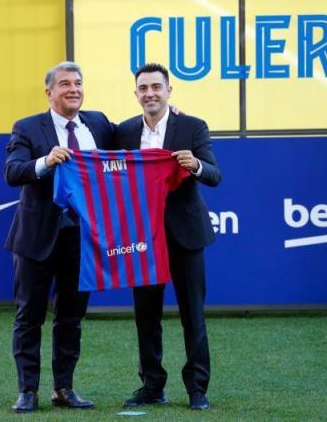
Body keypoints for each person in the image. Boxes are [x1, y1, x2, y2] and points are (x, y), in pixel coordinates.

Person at [4, 61, 114, 412]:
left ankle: (64, 389)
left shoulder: (98, 124)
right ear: (49, 92)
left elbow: (134, 135)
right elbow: (13, 172)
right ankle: (27, 391)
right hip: (37, 239)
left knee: (71, 318)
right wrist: (46, 161)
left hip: (81, 240)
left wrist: (165, 112)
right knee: (29, 317)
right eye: (65, 84)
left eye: (78, 83)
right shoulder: (27, 127)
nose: (73, 89)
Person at [115, 63, 221, 411]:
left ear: (169, 91)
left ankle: (197, 389)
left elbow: (215, 174)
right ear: (136, 94)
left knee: (193, 314)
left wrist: (196, 165)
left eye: (156, 87)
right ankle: (152, 386)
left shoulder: (192, 126)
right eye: (143, 88)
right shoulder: (124, 131)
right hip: (142, 236)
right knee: (146, 315)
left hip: (185, 235)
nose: (150, 93)